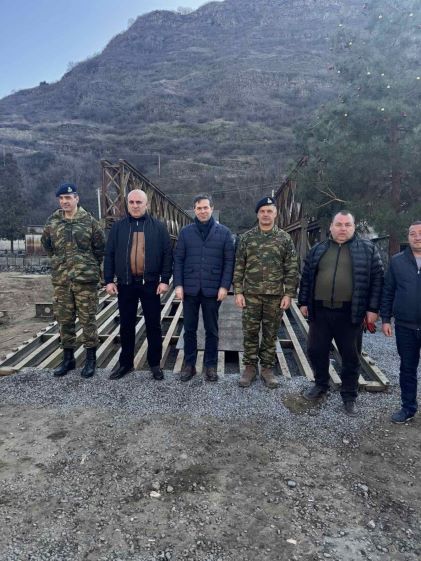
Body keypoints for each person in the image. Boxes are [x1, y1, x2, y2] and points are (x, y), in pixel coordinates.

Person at [298, 211, 384, 415]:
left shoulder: (367, 249)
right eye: (339, 224)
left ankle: (349, 395)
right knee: (316, 350)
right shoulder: (319, 249)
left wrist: (373, 309)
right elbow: (307, 277)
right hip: (320, 310)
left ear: (354, 227)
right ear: (331, 227)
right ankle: (321, 384)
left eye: (347, 225)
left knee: (350, 356)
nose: (343, 228)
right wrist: (303, 301)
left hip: (350, 312)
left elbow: (377, 281)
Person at [104, 189, 172, 380]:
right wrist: (108, 280)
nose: (135, 205)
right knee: (126, 325)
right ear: (127, 204)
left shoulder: (158, 227)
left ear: (146, 204)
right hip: (125, 283)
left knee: (153, 325)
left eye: (139, 202)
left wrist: (164, 280)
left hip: (150, 283)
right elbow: (109, 254)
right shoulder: (118, 228)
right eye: (131, 202)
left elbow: (167, 254)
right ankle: (126, 364)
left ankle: (155, 364)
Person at [233, 196, 298, 389]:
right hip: (251, 295)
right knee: (250, 332)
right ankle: (250, 367)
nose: (266, 214)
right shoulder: (247, 238)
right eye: (262, 211)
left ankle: (267, 368)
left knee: (271, 334)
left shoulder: (284, 238)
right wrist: (238, 291)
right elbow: (239, 266)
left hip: (275, 296)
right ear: (258, 214)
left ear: (275, 214)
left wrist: (288, 294)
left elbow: (291, 268)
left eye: (269, 211)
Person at [41, 183, 105, 378]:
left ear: (76, 198)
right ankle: (68, 359)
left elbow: (100, 248)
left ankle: (91, 360)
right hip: (62, 281)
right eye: (61, 198)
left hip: (85, 281)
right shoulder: (53, 221)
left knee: (88, 320)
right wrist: (60, 263)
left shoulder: (90, 222)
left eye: (68, 198)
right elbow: (47, 245)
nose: (64, 202)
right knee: (64, 321)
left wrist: (87, 266)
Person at [173, 194, 234, 382]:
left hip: (213, 289)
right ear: (194, 210)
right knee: (189, 329)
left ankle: (210, 365)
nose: (202, 211)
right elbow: (178, 260)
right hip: (190, 288)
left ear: (212, 208)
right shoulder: (185, 232)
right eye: (199, 208)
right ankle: (189, 365)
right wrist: (178, 285)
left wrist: (225, 286)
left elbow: (229, 262)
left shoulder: (224, 233)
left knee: (212, 329)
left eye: (205, 207)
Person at [381, 221, 421, 424]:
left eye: (420, 233)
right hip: (405, 326)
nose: (417, 237)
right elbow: (388, 291)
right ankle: (408, 408)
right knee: (407, 368)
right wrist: (385, 319)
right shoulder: (397, 262)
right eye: (413, 233)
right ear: (408, 237)